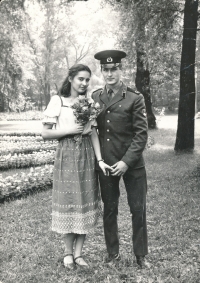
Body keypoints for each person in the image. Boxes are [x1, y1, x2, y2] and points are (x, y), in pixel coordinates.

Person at [42, 64, 111, 270]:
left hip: (87, 155)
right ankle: (67, 253)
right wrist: (69, 129)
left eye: (87, 80)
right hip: (66, 155)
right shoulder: (58, 101)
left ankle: (79, 254)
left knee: (85, 202)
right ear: (71, 78)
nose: (84, 83)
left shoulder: (89, 102)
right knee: (70, 201)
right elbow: (45, 133)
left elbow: (93, 133)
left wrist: (99, 160)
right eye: (80, 79)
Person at [92, 50, 148, 268]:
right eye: (105, 70)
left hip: (132, 165)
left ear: (120, 69)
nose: (109, 73)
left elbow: (141, 134)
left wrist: (126, 162)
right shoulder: (96, 97)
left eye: (113, 69)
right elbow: (94, 130)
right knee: (110, 209)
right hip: (106, 163)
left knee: (137, 209)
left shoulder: (135, 97)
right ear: (102, 71)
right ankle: (112, 254)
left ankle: (140, 255)